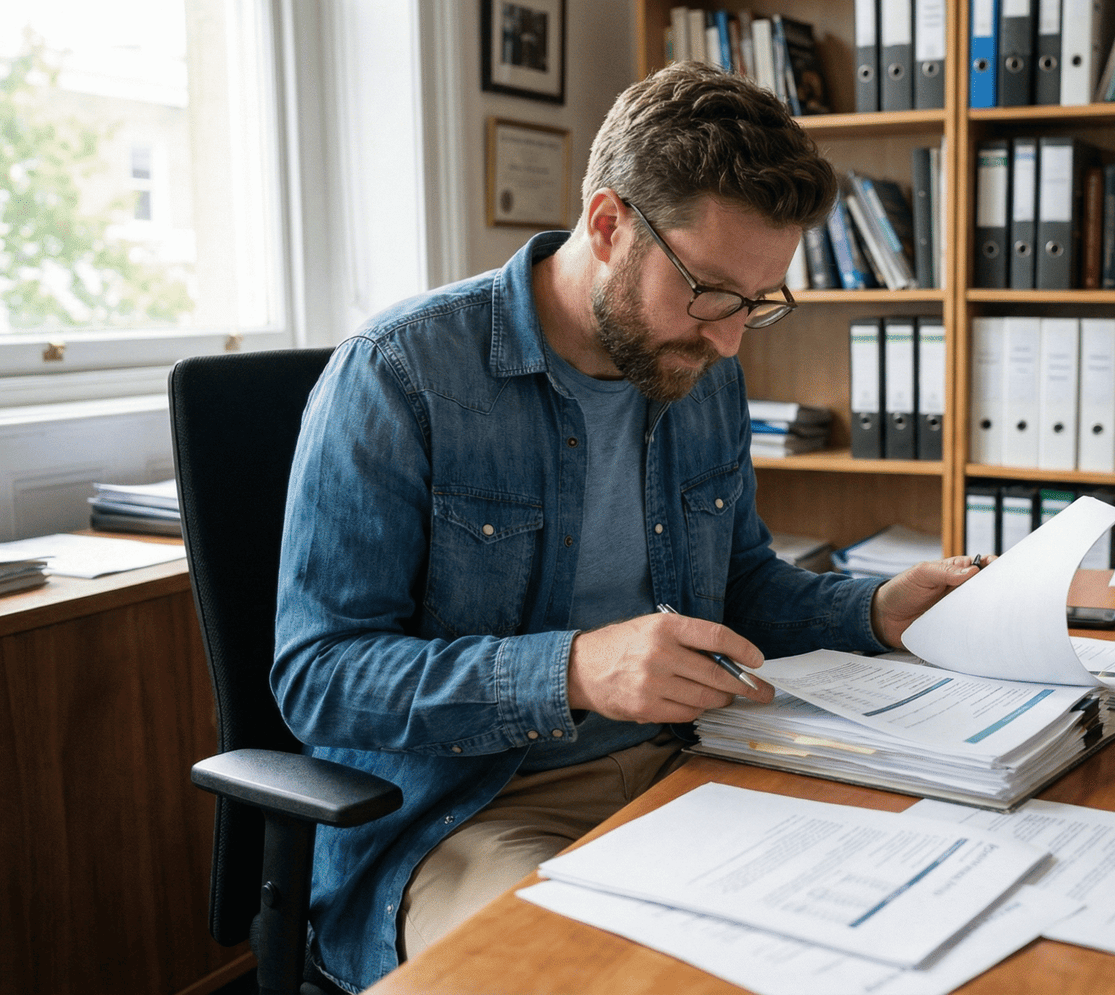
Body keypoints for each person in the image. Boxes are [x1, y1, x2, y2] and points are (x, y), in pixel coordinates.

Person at [273, 61, 983, 991]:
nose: (730, 340)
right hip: (472, 812)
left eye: (759, 303)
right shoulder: (400, 376)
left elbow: (740, 588)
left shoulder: (700, 371)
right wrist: (573, 669)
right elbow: (321, 677)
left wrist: (879, 609)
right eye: (713, 293)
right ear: (608, 226)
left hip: (694, 769)